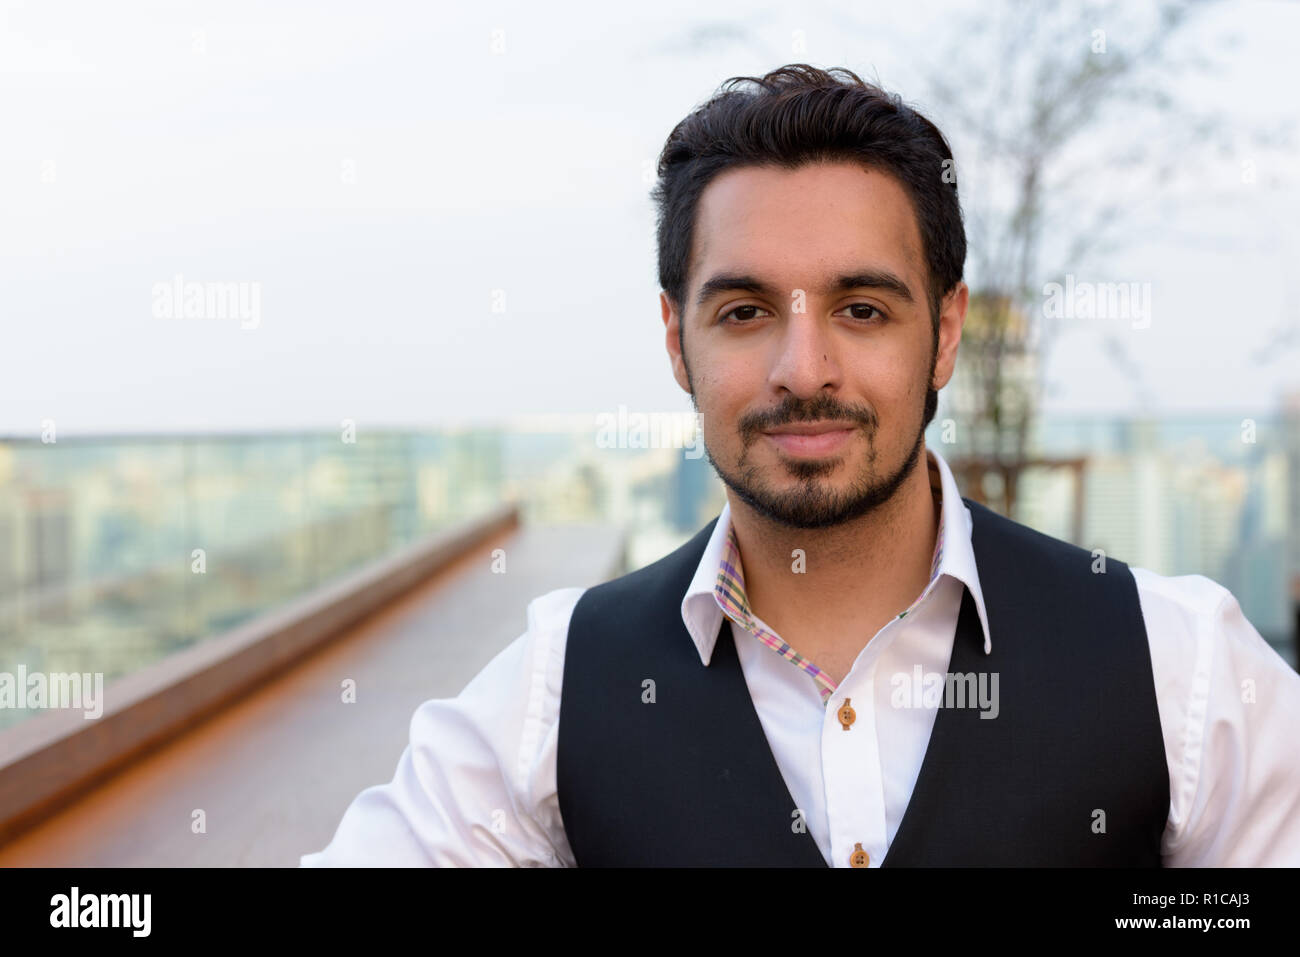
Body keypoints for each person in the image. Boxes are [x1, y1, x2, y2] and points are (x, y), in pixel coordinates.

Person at [300, 64, 1300, 867]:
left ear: (945, 332)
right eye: (742, 312)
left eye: (860, 309)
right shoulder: (555, 689)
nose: (802, 370)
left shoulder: (1181, 664)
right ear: (674, 338)